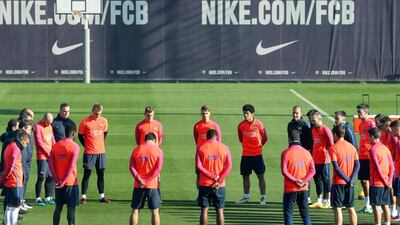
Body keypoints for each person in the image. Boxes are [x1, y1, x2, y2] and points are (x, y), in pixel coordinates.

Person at [196, 129, 232, 225]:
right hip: (219, 185)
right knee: (220, 211)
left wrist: (212, 176)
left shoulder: (201, 148)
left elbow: (199, 167)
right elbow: (229, 167)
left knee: (204, 211)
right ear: (217, 137)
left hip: (205, 184)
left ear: (207, 137)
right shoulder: (225, 147)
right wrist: (219, 180)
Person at [78, 103, 111, 204]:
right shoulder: (85, 122)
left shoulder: (104, 121)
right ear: (92, 111)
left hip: (101, 152)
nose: (98, 116)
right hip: (89, 153)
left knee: (100, 174)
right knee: (87, 174)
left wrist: (100, 143)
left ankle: (102, 196)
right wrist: (87, 145)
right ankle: (83, 197)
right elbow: (80, 136)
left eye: (99, 114)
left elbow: (105, 133)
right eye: (96, 113)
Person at [281, 130, 315, 225]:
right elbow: (313, 170)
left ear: (289, 139)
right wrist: (304, 180)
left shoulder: (286, 153)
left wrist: (295, 180)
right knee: (305, 214)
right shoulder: (307, 153)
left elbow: (284, 171)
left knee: (288, 214)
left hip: (290, 188)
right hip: (304, 188)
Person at [236, 104, 268, 204]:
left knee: (261, 176)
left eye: (247, 113)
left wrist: (258, 147)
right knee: (245, 176)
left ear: (252, 114)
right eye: (244, 113)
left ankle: (263, 197)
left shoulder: (259, 124)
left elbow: (265, 138)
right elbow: (241, 139)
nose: (245, 115)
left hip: (257, 155)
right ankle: (246, 197)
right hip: (245, 155)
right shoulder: (241, 125)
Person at [129, 133, 163, 225]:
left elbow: (131, 167)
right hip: (152, 184)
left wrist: (139, 179)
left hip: (138, 184)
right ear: (155, 140)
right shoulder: (158, 150)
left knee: (135, 211)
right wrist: (147, 181)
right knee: (155, 211)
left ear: (145, 139)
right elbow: (158, 169)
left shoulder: (136, 149)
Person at [49, 124, 79, 225]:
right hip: (70, 183)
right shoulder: (75, 147)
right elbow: (71, 166)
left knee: (58, 207)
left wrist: (57, 180)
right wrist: (64, 181)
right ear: (74, 134)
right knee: (71, 208)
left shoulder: (56, 145)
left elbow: (50, 164)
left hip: (58, 182)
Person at [329, 125, 359, 225]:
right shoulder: (352, 147)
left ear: (334, 134)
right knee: (351, 208)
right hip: (350, 183)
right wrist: (352, 180)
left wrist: (347, 179)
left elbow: (336, 168)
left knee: (337, 209)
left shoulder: (333, 148)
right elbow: (357, 165)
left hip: (338, 182)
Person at [0, 130, 30, 225]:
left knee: (9, 206)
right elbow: (12, 164)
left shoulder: (9, 146)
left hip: (10, 181)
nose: (25, 146)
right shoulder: (16, 149)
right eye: (26, 143)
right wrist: (5, 177)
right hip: (15, 181)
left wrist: (5, 178)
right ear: (21, 140)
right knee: (15, 207)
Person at [193, 105, 222, 194]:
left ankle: (214, 193)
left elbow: (219, 141)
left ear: (210, 113)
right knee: (199, 175)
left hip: (212, 154)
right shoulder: (197, 126)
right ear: (200, 114)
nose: (205, 115)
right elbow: (196, 138)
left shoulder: (214, 126)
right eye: (203, 113)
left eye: (206, 113)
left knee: (214, 174)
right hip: (201, 154)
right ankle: (200, 194)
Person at [369, 127, 394, 225]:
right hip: (387, 182)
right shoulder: (385, 148)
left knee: (376, 206)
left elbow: (377, 168)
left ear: (372, 136)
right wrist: (389, 181)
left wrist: (384, 181)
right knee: (386, 205)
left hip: (377, 183)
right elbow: (392, 166)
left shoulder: (373, 149)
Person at [308, 111, 334, 209]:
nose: (312, 122)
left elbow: (331, 144)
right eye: (311, 120)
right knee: (317, 179)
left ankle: (327, 200)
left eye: (313, 120)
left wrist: (328, 154)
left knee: (326, 179)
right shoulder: (313, 130)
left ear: (320, 119)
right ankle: (319, 199)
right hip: (315, 158)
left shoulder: (325, 129)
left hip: (324, 159)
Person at [356, 103, 376, 213]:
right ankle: (367, 204)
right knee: (363, 181)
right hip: (361, 156)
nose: (358, 114)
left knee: (369, 180)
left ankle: (371, 204)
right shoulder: (361, 124)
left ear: (366, 113)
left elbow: (376, 138)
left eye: (360, 112)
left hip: (369, 156)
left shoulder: (370, 124)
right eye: (358, 112)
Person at [34, 112, 56, 206]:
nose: (49, 124)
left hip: (50, 155)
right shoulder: (38, 126)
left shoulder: (49, 127)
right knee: (41, 176)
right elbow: (39, 142)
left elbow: (52, 139)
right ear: (44, 119)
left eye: (51, 122)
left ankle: (48, 197)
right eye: (48, 122)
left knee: (50, 177)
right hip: (42, 156)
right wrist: (48, 153)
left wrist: (55, 150)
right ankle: (38, 198)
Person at [18, 119, 35, 210]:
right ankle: (19, 202)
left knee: (24, 182)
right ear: (24, 128)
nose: (30, 131)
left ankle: (22, 201)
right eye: (29, 129)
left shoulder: (28, 135)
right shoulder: (20, 137)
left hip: (27, 162)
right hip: (22, 163)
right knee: (21, 183)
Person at [391, 120, 400, 221]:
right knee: (397, 194)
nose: (391, 131)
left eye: (392, 130)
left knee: (398, 195)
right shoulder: (397, 141)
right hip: (397, 172)